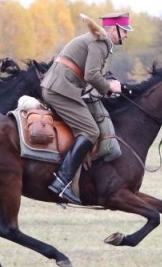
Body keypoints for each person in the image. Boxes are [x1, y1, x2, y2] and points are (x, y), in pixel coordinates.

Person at [40, 11, 133, 204]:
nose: (126, 35)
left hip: (59, 87)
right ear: (112, 29)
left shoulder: (96, 40)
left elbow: (89, 74)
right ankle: (62, 181)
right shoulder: (101, 42)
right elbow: (91, 75)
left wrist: (106, 85)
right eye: (124, 31)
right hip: (61, 90)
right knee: (90, 130)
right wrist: (109, 88)